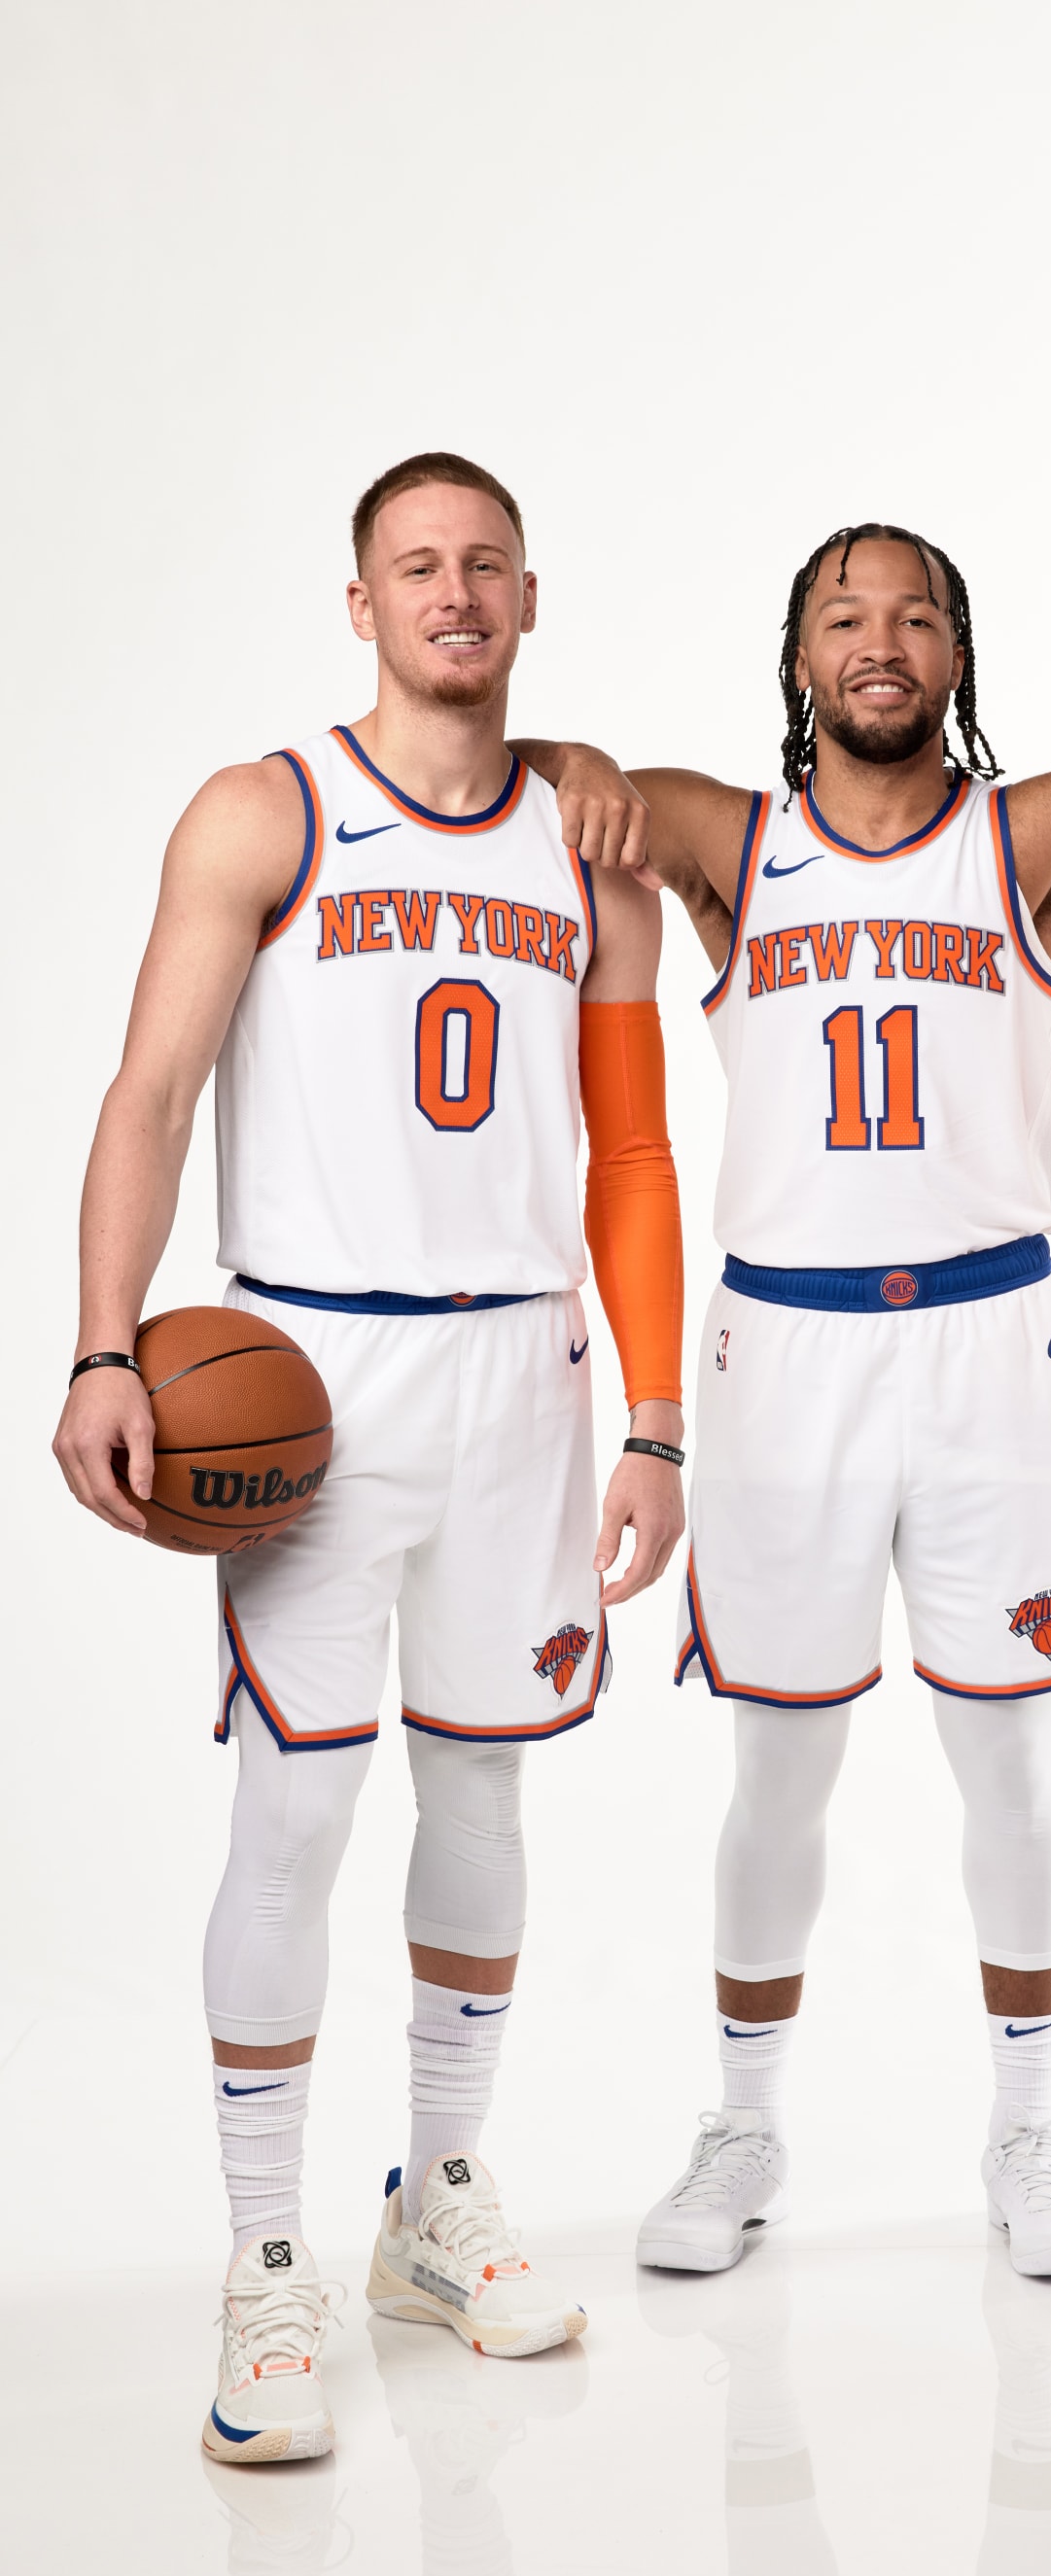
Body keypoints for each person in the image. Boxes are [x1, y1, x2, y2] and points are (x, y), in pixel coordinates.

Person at [52, 452, 687, 2462]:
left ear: (529, 595)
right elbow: (151, 1087)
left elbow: (639, 1150)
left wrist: (657, 1415)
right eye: (418, 566)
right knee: (301, 1823)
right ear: (361, 605)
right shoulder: (267, 809)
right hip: (310, 1381)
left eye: (488, 564)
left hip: (521, 1375)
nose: (455, 593)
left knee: (483, 1806)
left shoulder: (590, 846)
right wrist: (99, 1344)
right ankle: (265, 2264)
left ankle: (438, 2203)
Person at [519, 525, 1051, 2277]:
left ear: (958, 662)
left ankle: (1031, 2127)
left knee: (1013, 1758)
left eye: (919, 615)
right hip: (782, 1359)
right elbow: (543, 771)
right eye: (846, 616)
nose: (882, 640)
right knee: (781, 1769)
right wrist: (583, 762)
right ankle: (747, 2118)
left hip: (992, 1346)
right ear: (798, 662)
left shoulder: (1021, 837)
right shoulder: (725, 838)